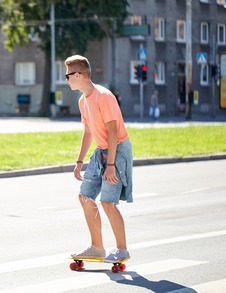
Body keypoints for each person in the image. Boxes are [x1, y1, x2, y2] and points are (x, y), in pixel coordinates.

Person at [65, 55, 133, 263]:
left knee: (108, 203)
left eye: (68, 75)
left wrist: (111, 165)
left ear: (78, 75)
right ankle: (97, 247)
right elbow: (88, 132)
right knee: (85, 197)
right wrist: (79, 162)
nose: (66, 79)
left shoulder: (104, 96)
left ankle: (122, 249)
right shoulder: (82, 101)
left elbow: (113, 131)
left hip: (117, 150)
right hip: (100, 151)